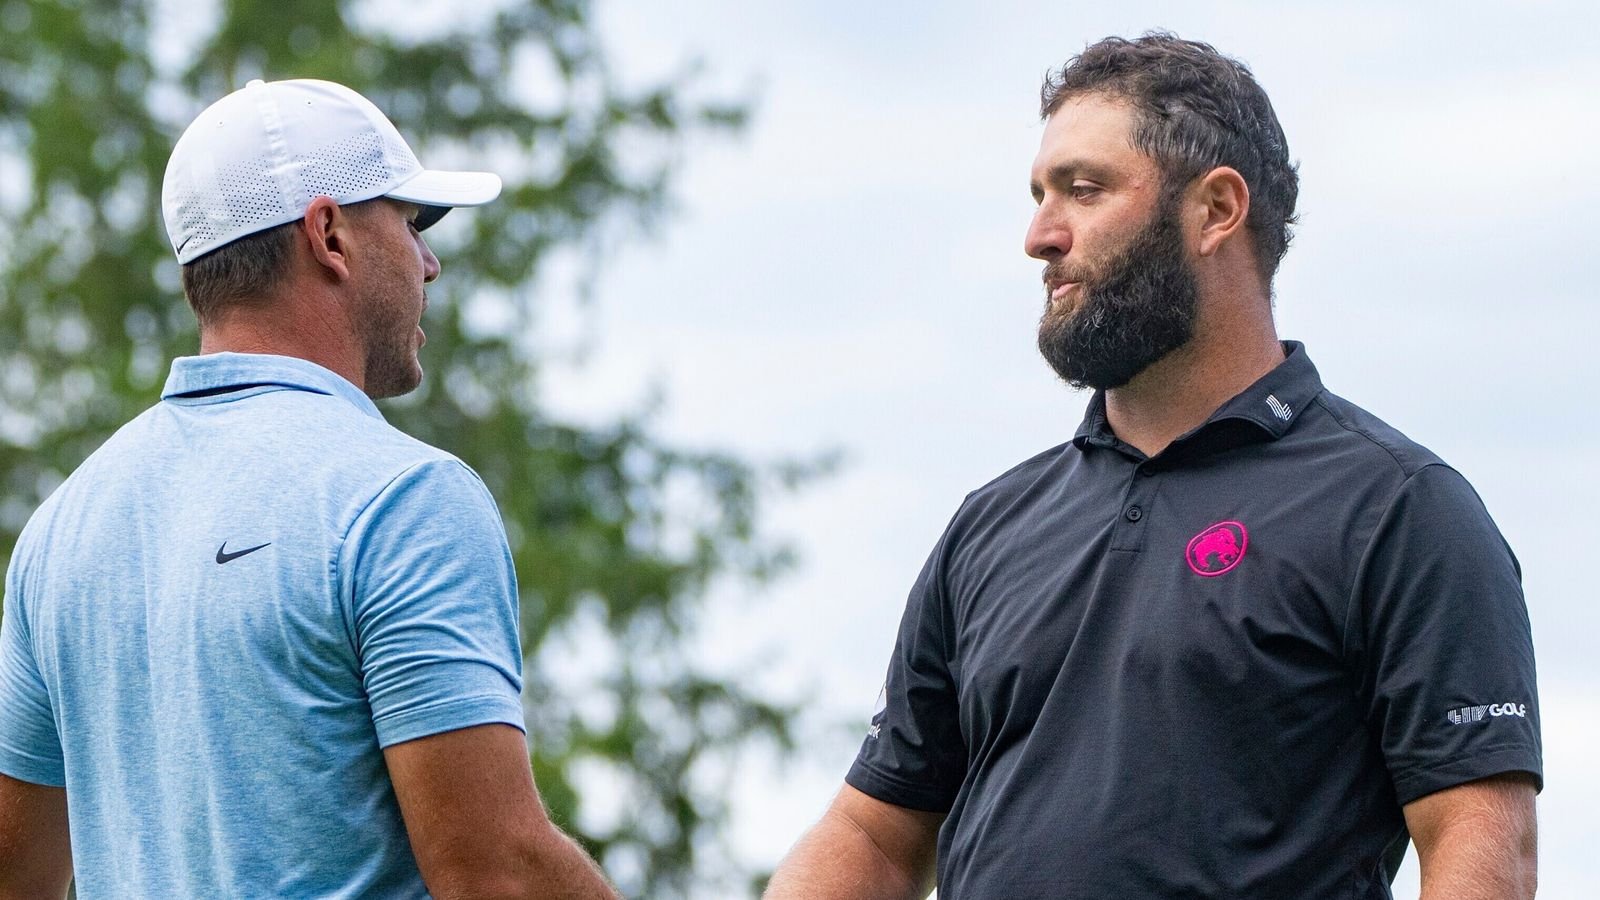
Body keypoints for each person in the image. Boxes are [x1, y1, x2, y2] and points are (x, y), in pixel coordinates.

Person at [766, 33, 1541, 900]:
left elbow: (1482, 845)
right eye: (1038, 195)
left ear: (1214, 210)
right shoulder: (990, 525)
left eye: (1083, 190)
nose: (1039, 236)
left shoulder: (1399, 509)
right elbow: (874, 832)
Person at [0, 78, 618, 898]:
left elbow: (16, 876)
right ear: (328, 235)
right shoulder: (404, 499)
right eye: (410, 221)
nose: (429, 263)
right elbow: (496, 874)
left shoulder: (60, 532)